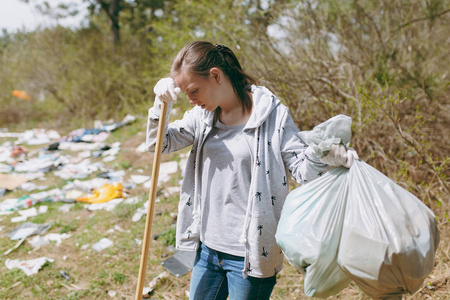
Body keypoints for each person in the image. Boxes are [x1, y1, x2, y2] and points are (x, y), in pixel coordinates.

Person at [146, 41, 358, 300]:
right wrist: (161, 106)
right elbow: (159, 144)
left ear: (215, 75)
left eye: (193, 90)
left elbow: (304, 172)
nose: (190, 99)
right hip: (207, 249)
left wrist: (323, 154)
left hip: (251, 256)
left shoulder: (273, 117)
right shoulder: (201, 119)